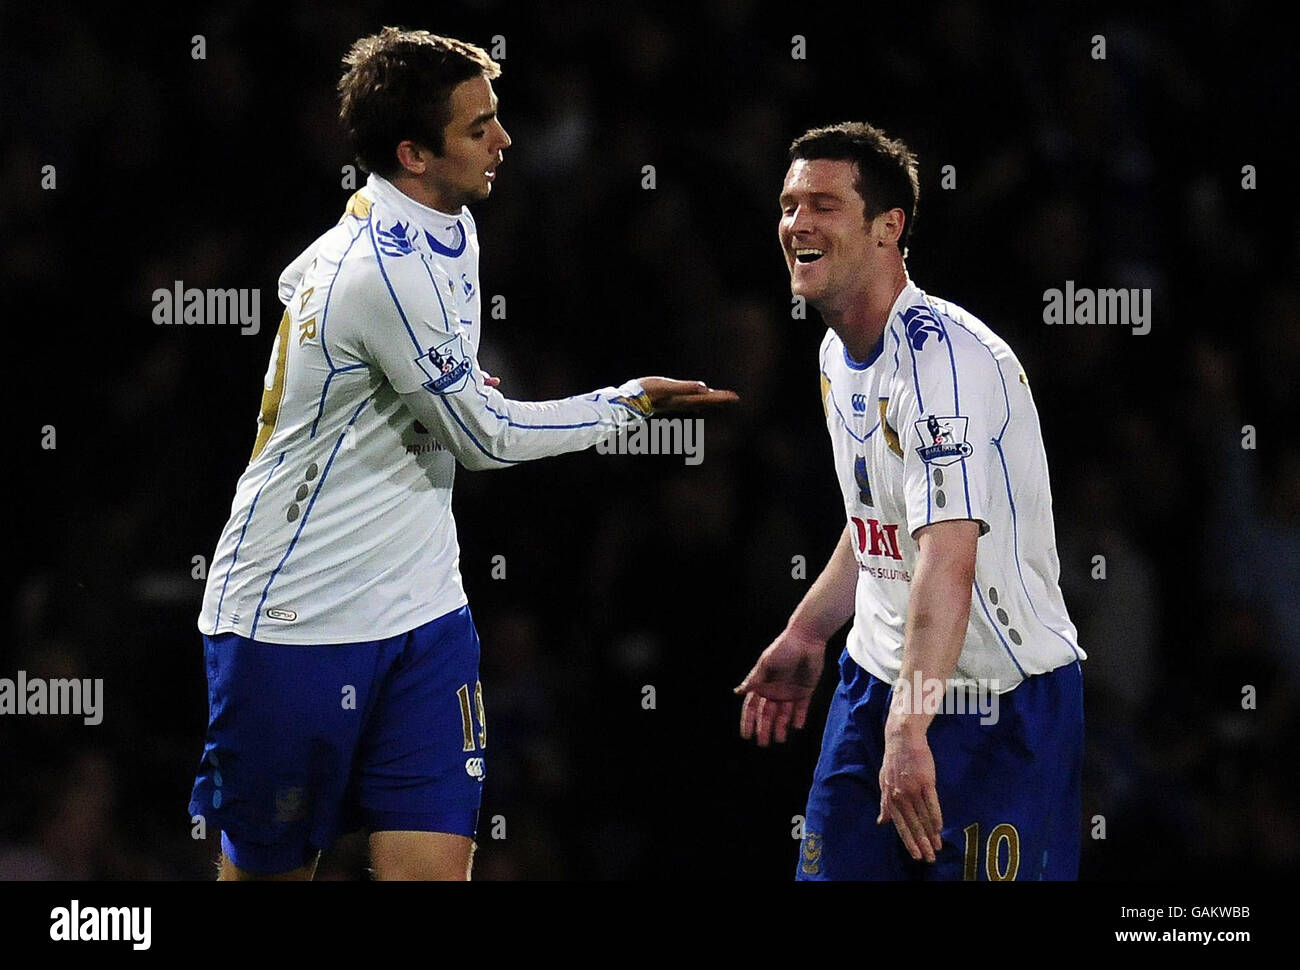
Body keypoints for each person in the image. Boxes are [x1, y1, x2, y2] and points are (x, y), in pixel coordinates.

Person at [188, 27, 735, 882]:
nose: (504, 140)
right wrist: (624, 405)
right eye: (479, 127)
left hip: (424, 611)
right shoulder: (377, 269)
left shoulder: (450, 229)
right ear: (413, 152)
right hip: (295, 619)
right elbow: (483, 438)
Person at [735, 122, 1084, 880]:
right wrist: (808, 630)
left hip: (997, 705)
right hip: (879, 690)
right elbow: (878, 527)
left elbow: (947, 563)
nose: (797, 224)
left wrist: (910, 723)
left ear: (888, 227)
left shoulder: (944, 368)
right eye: (789, 205)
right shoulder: (837, 350)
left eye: (823, 205)